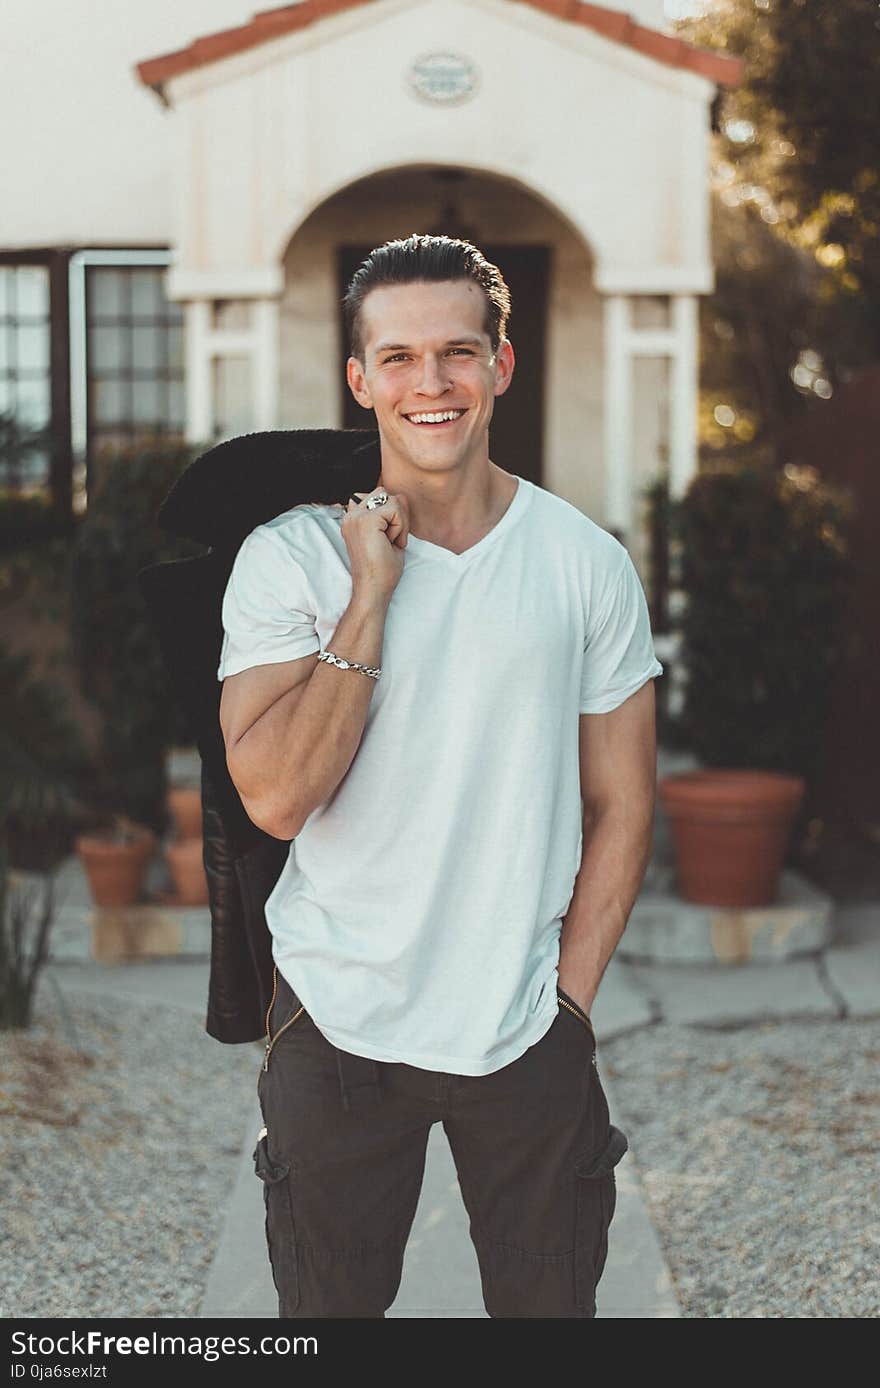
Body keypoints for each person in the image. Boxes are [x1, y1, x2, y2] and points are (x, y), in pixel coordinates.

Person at [216, 233, 663, 1318]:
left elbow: (623, 802)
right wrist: (370, 595)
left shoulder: (584, 561)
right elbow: (274, 794)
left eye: (458, 352)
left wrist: (567, 1002)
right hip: (336, 1024)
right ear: (362, 379)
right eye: (401, 357)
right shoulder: (292, 558)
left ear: (501, 365)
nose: (432, 382)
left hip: (522, 1031)